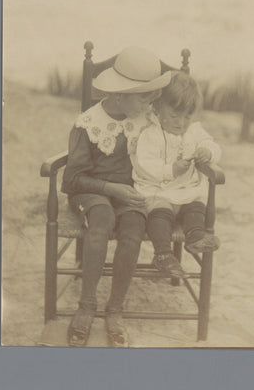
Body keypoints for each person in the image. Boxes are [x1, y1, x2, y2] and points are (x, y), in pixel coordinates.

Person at [61, 46, 171, 347]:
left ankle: (115, 309)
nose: (152, 102)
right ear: (119, 93)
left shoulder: (148, 121)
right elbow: (71, 179)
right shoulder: (88, 123)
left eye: (152, 96)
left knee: (133, 230)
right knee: (102, 221)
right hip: (91, 190)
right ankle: (86, 305)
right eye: (144, 96)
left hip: (131, 194)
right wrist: (111, 189)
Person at [132, 71, 221, 278]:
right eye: (174, 115)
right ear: (158, 109)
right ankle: (163, 254)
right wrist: (170, 170)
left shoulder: (195, 131)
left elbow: (213, 145)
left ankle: (195, 236)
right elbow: (145, 164)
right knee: (159, 212)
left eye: (187, 116)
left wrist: (207, 152)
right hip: (157, 190)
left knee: (197, 205)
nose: (181, 122)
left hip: (185, 190)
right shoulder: (150, 134)